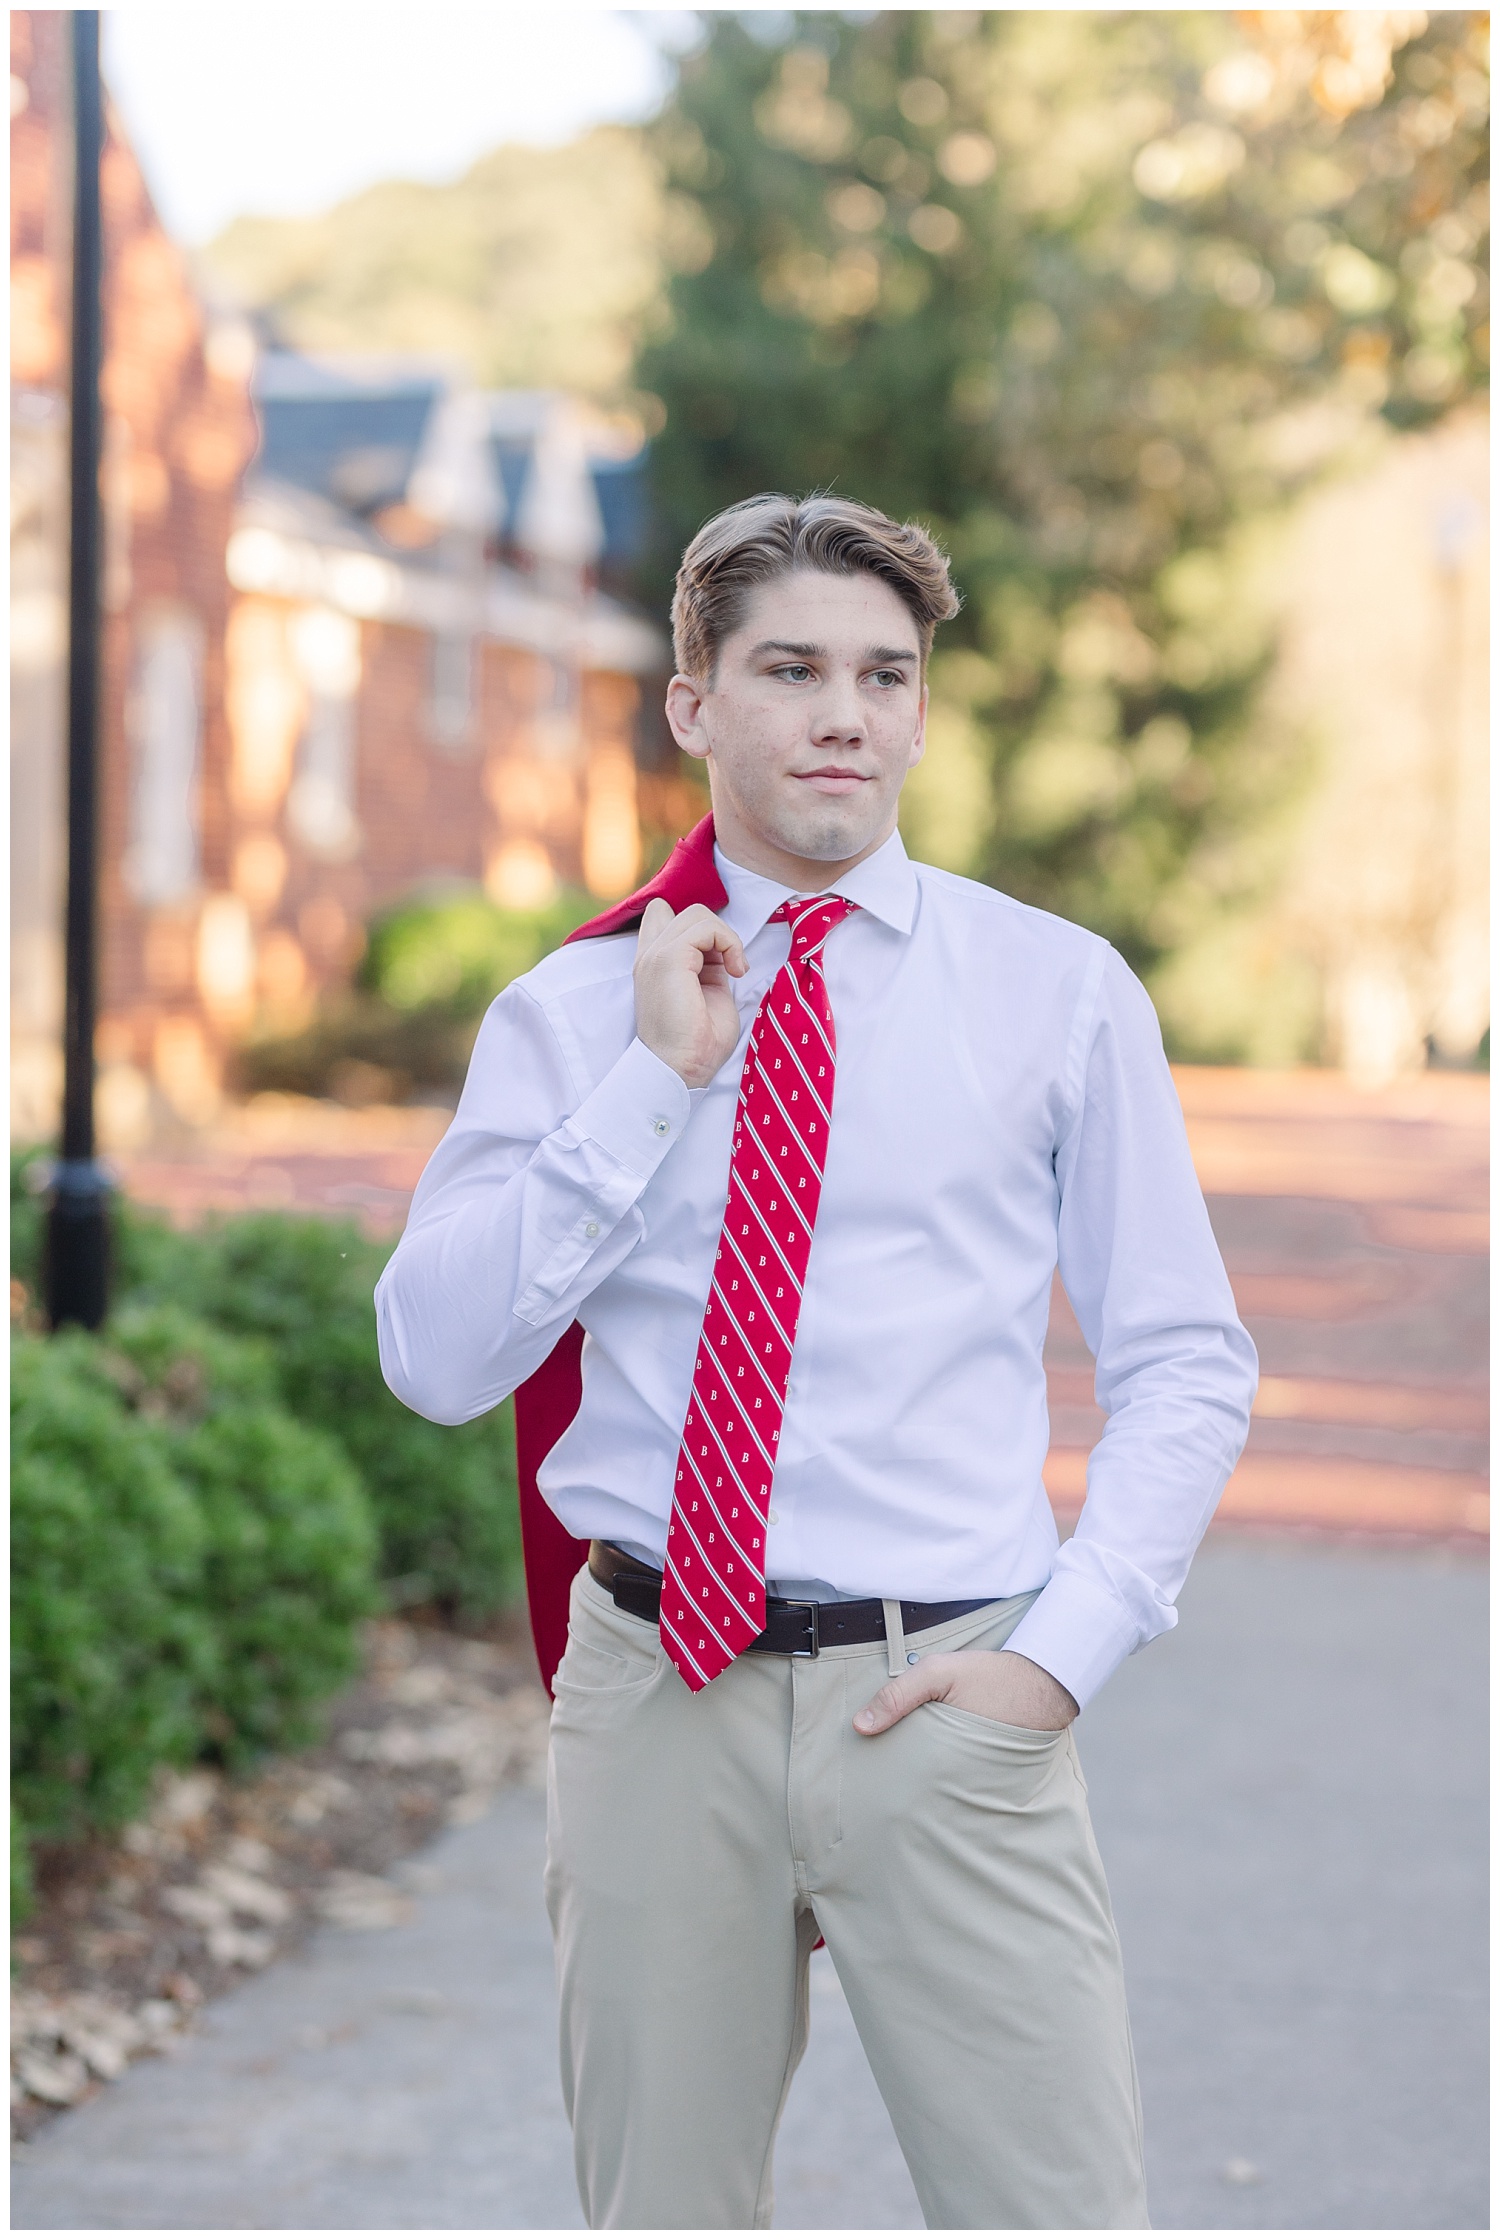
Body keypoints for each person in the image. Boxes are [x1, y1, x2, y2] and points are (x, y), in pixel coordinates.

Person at [375, 493, 1258, 2230]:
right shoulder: (573, 1014)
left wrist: (1061, 1658)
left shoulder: (1058, 992)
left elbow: (1184, 1357)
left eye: (884, 674)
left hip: (948, 1697)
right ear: (693, 703)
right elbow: (434, 1359)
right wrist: (653, 1087)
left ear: (921, 709)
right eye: (789, 670)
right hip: (656, 1699)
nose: (844, 714)